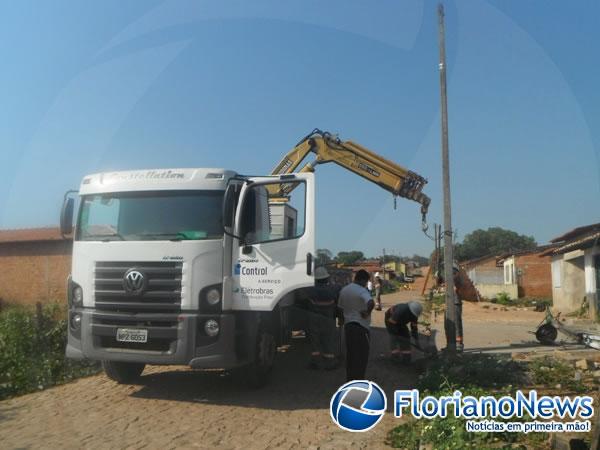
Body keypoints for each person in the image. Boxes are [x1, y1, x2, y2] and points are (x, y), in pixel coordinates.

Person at [338, 269, 374, 381]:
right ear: (363, 280)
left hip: (348, 327)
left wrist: (341, 319)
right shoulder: (362, 290)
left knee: (351, 354)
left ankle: (350, 379)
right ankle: (359, 379)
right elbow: (371, 302)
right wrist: (367, 312)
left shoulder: (344, 290)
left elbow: (340, 308)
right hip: (361, 327)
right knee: (362, 355)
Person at [304, 266, 340, 370]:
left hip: (314, 319)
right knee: (328, 340)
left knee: (314, 340)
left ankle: (315, 362)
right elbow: (338, 292)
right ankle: (330, 362)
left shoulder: (310, 290)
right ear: (327, 278)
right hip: (328, 319)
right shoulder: (333, 289)